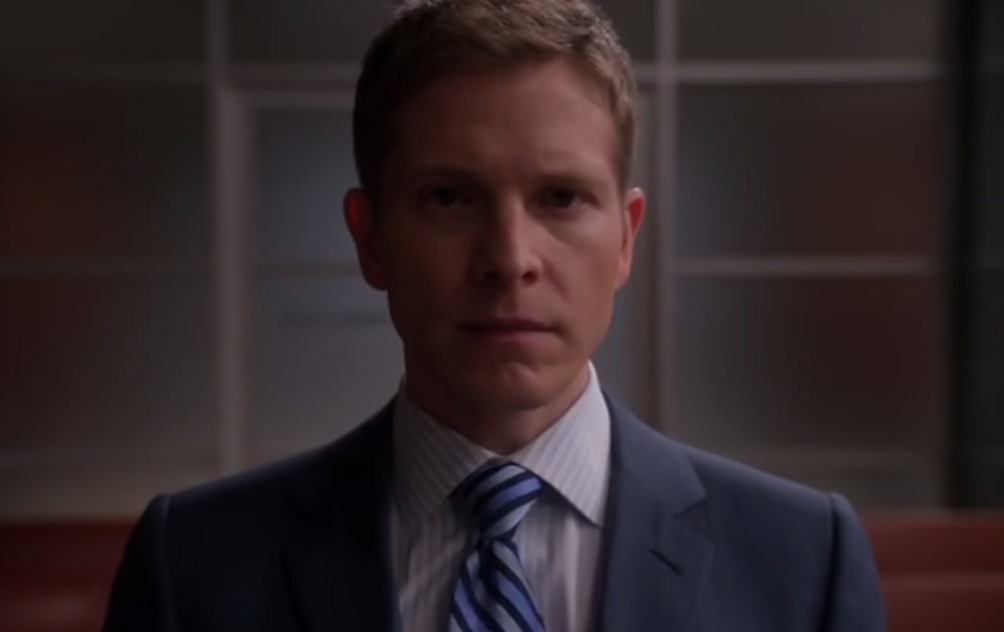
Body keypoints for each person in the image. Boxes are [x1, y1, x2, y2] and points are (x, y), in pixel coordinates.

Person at [102, 0, 886, 630]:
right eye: (449, 197)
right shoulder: (196, 565)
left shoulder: (801, 560)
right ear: (370, 240)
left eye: (561, 197)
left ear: (625, 238)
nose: (510, 258)